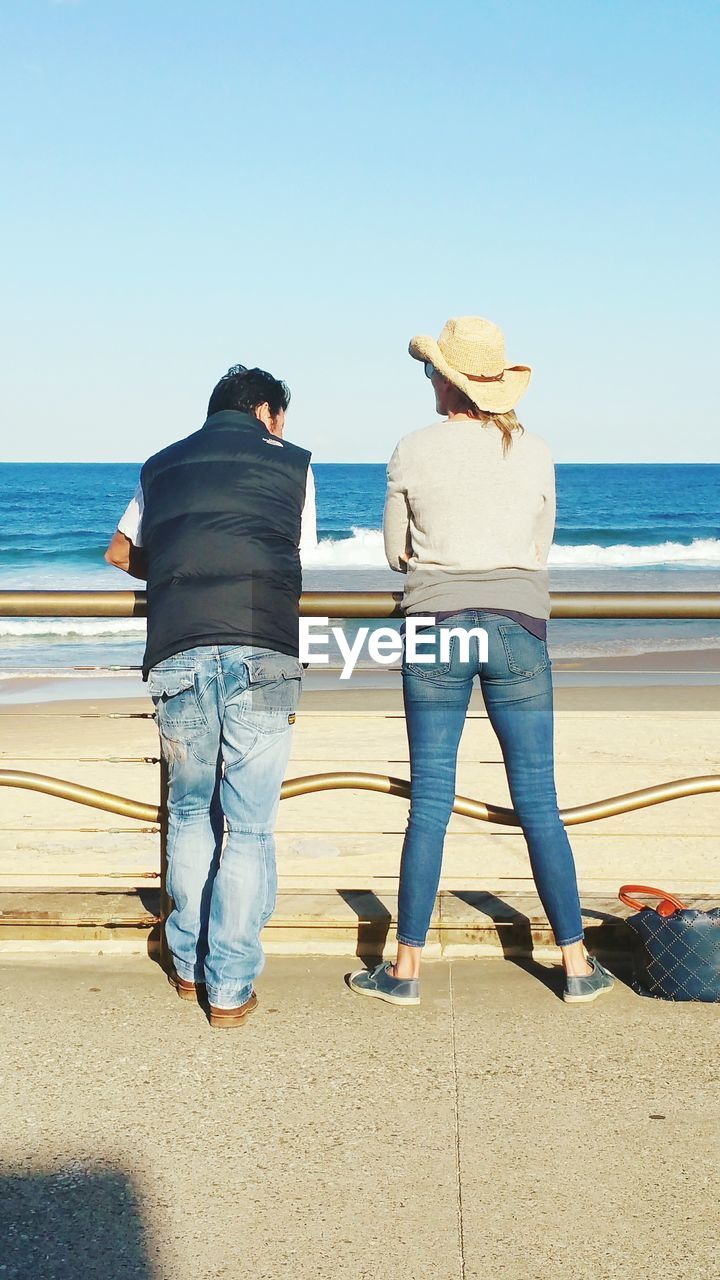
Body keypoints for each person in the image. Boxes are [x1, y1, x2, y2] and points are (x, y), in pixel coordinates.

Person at [349, 317, 614, 1007]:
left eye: (432, 371)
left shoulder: (413, 448)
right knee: (539, 802)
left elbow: (394, 551)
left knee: (430, 800)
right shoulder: (537, 451)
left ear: (448, 380)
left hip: (437, 625)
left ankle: (404, 972)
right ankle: (577, 963)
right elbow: (540, 544)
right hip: (518, 628)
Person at [105, 364, 315, 1027]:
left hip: (179, 644)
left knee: (190, 812)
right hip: (265, 643)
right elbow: (295, 549)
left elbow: (118, 553)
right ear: (266, 413)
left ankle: (188, 969)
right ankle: (229, 987)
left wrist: (170, 566)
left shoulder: (160, 466)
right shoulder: (294, 464)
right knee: (250, 826)